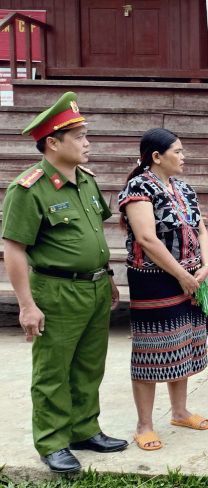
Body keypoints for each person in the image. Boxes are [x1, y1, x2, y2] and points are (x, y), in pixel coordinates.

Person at [2, 92, 127, 473]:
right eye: (79, 136)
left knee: (90, 365)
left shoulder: (85, 182)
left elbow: (93, 237)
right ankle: (53, 440)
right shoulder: (29, 188)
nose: (88, 143)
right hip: (55, 292)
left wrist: (107, 278)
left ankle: (84, 429)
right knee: (53, 370)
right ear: (53, 143)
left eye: (86, 135)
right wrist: (26, 304)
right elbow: (14, 249)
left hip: (94, 287)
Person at [118, 128, 208, 451]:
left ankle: (180, 410)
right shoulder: (139, 187)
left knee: (182, 341)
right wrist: (181, 275)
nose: (183, 157)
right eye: (178, 151)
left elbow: (201, 229)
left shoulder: (183, 188)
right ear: (156, 157)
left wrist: (205, 266)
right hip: (153, 280)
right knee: (151, 349)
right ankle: (144, 424)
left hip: (191, 277)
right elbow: (146, 238)